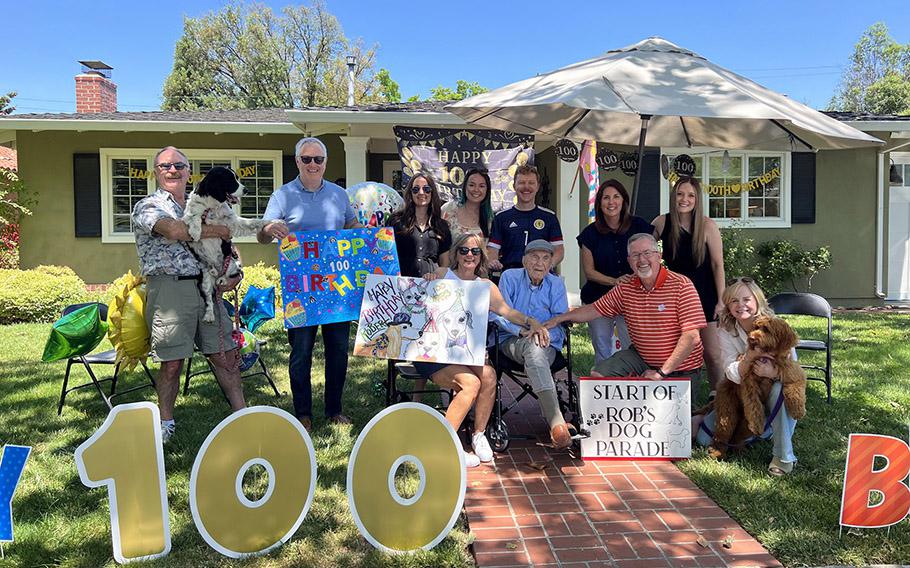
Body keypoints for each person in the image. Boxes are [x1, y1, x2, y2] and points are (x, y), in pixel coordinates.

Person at [132, 146, 247, 444]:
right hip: (170, 289)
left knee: (225, 355)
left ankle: (243, 417)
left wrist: (235, 273)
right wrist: (220, 229)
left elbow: (229, 245)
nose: (173, 171)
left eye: (179, 166)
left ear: (188, 171)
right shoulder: (148, 205)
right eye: (165, 166)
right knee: (172, 362)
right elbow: (175, 231)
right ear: (156, 172)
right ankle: (166, 424)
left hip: (208, 287)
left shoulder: (205, 204)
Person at [257, 137, 363, 431]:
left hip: (337, 287)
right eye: (307, 159)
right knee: (301, 350)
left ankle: (334, 409)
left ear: (326, 163)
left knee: (338, 350)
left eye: (318, 159)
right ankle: (303, 412)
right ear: (298, 161)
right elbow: (262, 235)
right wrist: (268, 228)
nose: (313, 164)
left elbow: (351, 226)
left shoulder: (339, 195)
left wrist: (364, 233)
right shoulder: (282, 196)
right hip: (300, 289)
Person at [422, 232, 549, 467]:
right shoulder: (442, 275)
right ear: (456, 254)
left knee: (489, 376)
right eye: (464, 250)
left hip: (467, 353)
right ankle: (445, 445)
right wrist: (428, 281)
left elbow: (507, 312)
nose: (469, 255)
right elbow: (418, 301)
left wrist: (531, 322)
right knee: (471, 383)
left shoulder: (486, 286)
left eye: (475, 251)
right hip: (437, 353)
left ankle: (478, 435)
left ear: (481, 257)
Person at [545, 233, 706, 383]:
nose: (642, 260)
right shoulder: (626, 288)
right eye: (635, 255)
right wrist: (560, 318)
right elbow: (594, 309)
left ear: (659, 256)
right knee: (600, 375)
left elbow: (692, 337)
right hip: (642, 358)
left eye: (647, 253)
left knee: (680, 414)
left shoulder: (681, 285)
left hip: (681, 368)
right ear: (629, 261)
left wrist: (662, 372)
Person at [693, 277, 800, 476]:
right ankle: (760, 430)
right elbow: (730, 372)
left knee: (779, 390)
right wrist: (749, 358)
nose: (740, 305)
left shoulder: (776, 326)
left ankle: (783, 456)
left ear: (757, 300)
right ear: (728, 305)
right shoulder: (727, 330)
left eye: (746, 299)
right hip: (743, 393)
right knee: (703, 440)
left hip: (774, 390)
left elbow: (793, 370)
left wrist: (772, 372)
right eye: (734, 301)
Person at [492, 240, 572, 449]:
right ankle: (557, 424)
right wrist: (522, 331)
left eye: (546, 258)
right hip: (511, 340)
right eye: (535, 257)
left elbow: (560, 319)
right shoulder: (510, 278)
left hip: (546, 343)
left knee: (535, 351)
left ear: (551, 263)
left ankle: (557, 426)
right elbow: (498, 315)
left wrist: (542, 334)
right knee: (533, 349)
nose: (540, 263)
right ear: (524, 260)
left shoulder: (556, 284)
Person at [652, 176, 726, 396]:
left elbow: (717, 265)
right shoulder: (662, 222)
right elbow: (643, 246)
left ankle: (719, 399)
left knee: (712, 354)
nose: (685, 199)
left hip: (705, 296)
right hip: (674, 299)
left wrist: (722, 300)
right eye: (680, 194)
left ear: (697, 199)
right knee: (676, 352)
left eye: (691, 195)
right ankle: (676, 396)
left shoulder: (707, 226)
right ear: (673, 197)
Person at [577, 179, 653, 363]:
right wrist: (615, 281)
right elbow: (589, 272)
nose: (611, 202)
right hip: (598, 296)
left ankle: (631, 382)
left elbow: (650, 257)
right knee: (602, 346)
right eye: (606, 198)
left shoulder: (640, 226)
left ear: (623, 200)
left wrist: (637, 278)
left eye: (616, 197)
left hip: (632, 295)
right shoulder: (589, 233)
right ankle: (602, 385)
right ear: (599, 203)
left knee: (632, 344)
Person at [488, 165, 564, 271]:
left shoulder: (549, 217)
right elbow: (493, 249)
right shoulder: (501, 217)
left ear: (538, 187)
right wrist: (493, 262)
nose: (526, 187)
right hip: (511, 275)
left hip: (540, 276)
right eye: (522, 183)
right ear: (514, 186)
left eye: (531, 183)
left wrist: (548, 266)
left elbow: (558, 250)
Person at [388, 173, 451, 277]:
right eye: (416, 189)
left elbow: (445, 264)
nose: (421, 193)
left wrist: (436, 275)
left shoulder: (442, 226)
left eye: (426, 189)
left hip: (430, 286)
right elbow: (385, 253)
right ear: (410, 193)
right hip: (400, 285)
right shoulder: (396, 221)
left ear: (432, 192)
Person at [441, 168, 493, 241]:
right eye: (472, 185)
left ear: (487, 190)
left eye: (481, 186)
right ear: (465, 187)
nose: (476, 190)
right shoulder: (448, 209)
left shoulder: (490, 220)